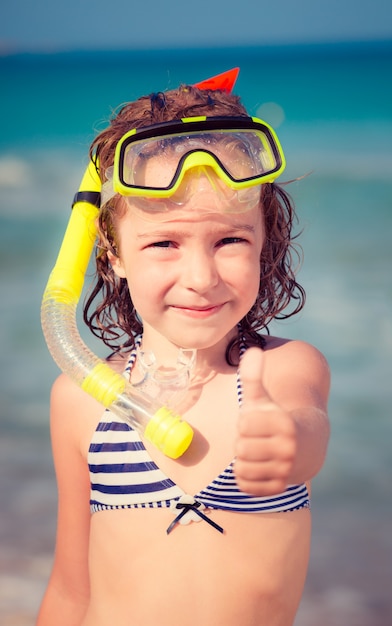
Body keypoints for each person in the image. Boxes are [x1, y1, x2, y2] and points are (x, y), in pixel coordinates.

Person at [37, 70, 330, 626]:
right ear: (113, 253)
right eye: (164, 243)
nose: (200, 276)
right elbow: (72, 588)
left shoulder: (281, 368)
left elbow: (307, 427)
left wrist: (289, 442)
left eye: (229, 240)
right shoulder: (80, 399)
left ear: (266, 242)